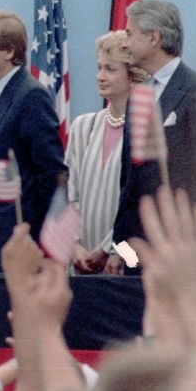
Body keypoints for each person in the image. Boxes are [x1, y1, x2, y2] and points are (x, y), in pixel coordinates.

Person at [108, 0, 196, 271]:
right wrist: (121, 250)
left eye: (129, 34)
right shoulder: (138, 95)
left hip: (182, 256)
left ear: (154, 38)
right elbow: (129, 183)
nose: (124, 43)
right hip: (137, 258)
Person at [0, 9, 67, 273]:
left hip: (14, 246)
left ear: (8, 52)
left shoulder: (30, 96)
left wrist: (42, 243)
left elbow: (51, 174)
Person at [65, 31, 147, 273]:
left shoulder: (147, 129)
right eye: (99, 68)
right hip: (82, 263)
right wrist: (75, 246)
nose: (100, 76)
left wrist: (113, 249)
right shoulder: (83, 126)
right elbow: (69, 193)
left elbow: (141, 203)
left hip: (126, 259)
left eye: (110, 69)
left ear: (133, 76)